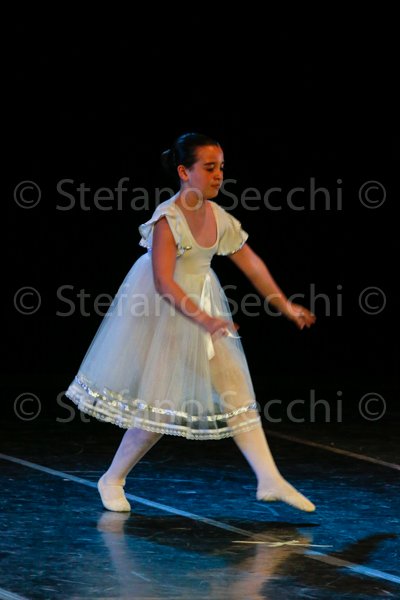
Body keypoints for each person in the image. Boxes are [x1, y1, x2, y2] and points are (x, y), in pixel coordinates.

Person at [65, 132, 317, 514]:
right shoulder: (168, 219)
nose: (218, 175)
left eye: (221, 168)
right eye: (209, 168)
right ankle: (112, 478)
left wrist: (284, 305)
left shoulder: (218, 217)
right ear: (184, 172)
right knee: (158, 409)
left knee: (235, 388)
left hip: (202, 306)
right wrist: (205, 319)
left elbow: (251, 263)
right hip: (163, 312)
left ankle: (269, 478)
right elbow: (164, 283)